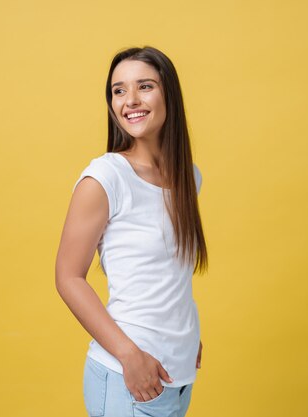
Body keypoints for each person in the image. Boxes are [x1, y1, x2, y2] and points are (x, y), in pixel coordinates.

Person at [55, 45, 209, 417]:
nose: (130, 100)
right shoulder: (106, 177)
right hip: (131, 381)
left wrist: (184, 335)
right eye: (119, 90)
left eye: (145, 86)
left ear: (168, 93)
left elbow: (167, 274)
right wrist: (129, 356)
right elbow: (68, 277)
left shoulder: (189, 177)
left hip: (178, 376)